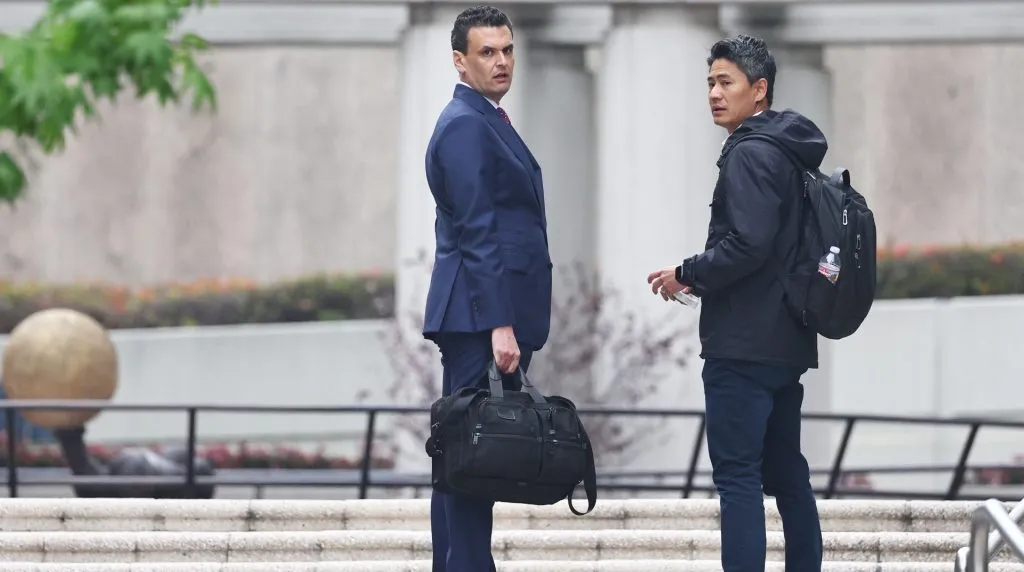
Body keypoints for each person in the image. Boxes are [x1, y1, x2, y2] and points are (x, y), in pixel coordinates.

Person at [647, 34, 826, 572]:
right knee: (788, 474)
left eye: (726, 82)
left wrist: (686, 274)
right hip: (786, 341)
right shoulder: (789, 150)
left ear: (759, 88)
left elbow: (749, 244)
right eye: (710, 83)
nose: (714, 94)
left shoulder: (750, 153)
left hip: (742, 346)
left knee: (738, 477)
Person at [420, 5, 552, 572]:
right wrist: (500, 322)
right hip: (478, 316)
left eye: (507, 50)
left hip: (481, 313)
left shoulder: (485, 118)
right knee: (471, 461)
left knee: (466, 459)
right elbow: (477, 229)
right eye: (487, 52)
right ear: (460, 60)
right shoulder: (465, 125)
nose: (501, 62)